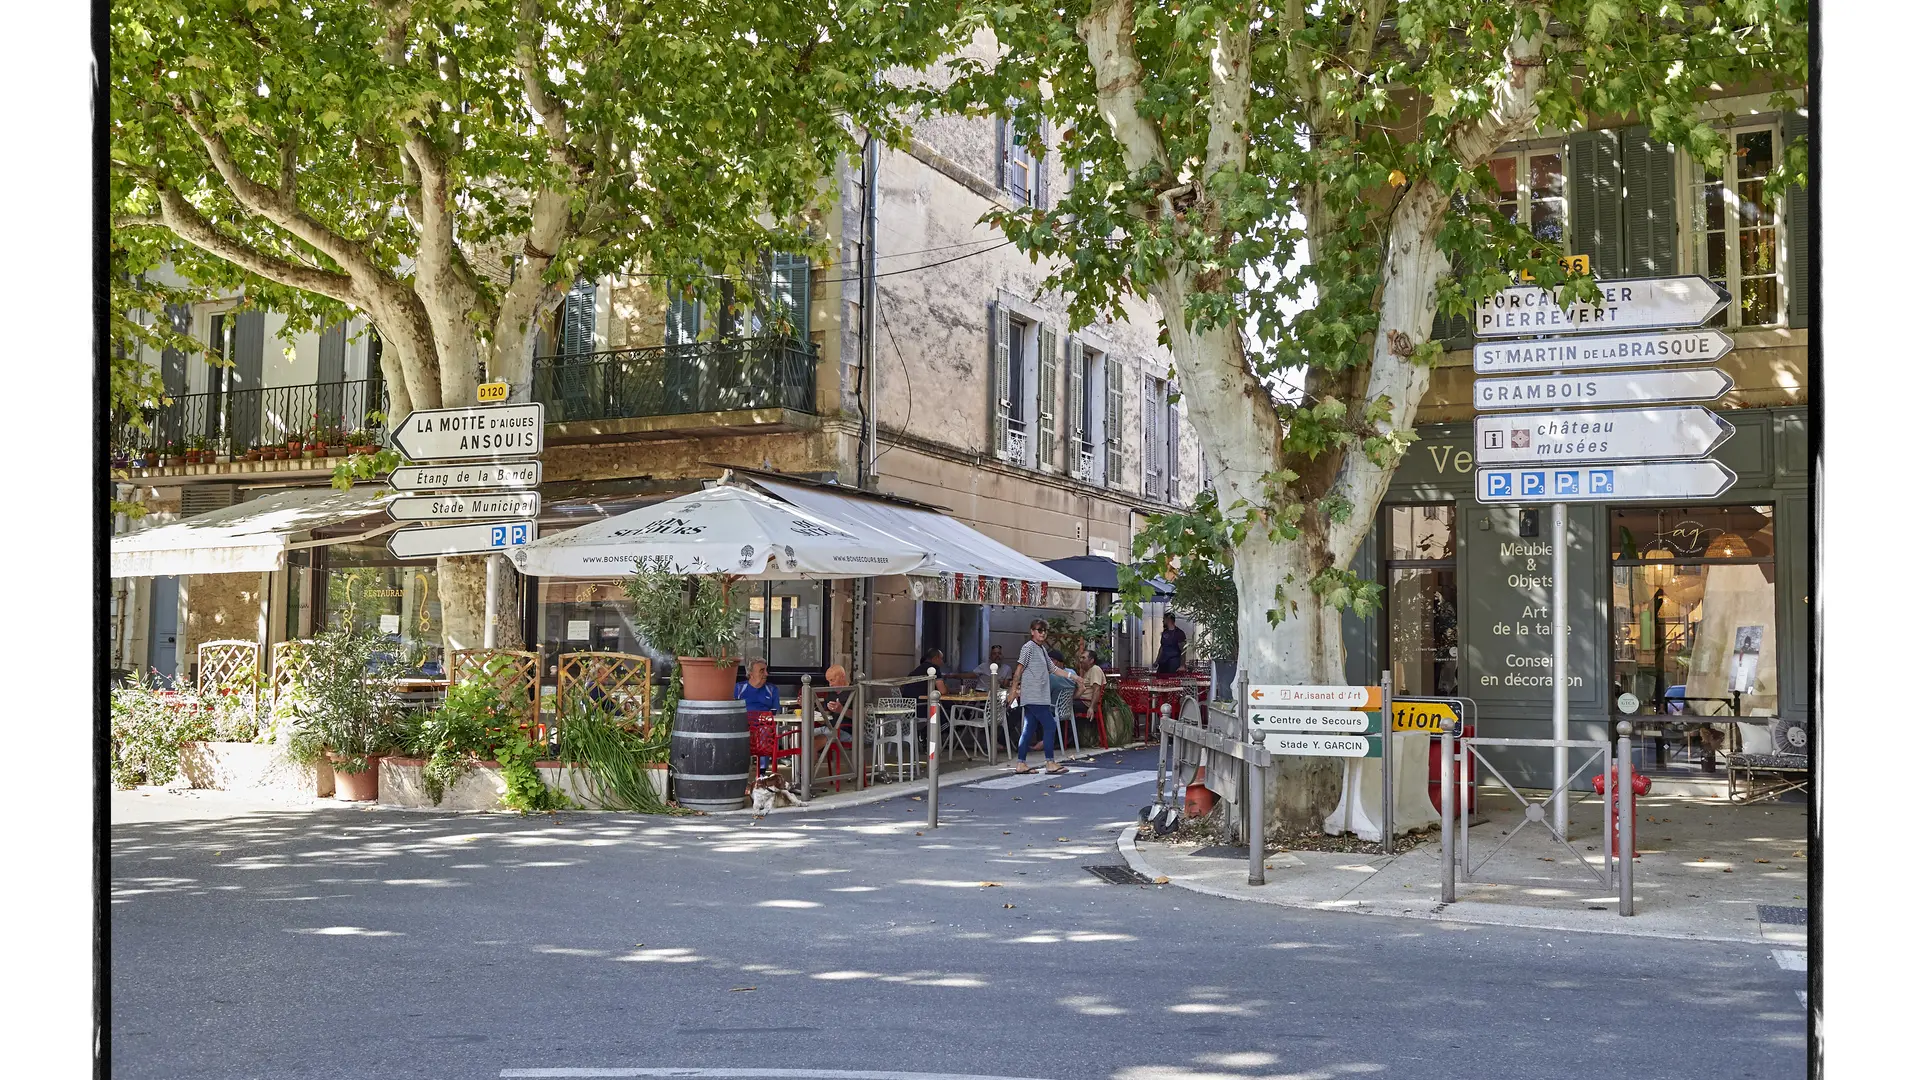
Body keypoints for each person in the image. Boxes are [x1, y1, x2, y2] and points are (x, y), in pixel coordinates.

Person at [1008, 620, 1077, 775]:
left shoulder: (1042, 649)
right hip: (1034, 695)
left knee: (1028, 729)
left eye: (1045, 630)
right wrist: (1013, 690)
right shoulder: (1028, 648)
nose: (1043, 633)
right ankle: (1050, 762)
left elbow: (1053, 669)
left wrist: (1074, 677)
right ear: (1032, 631)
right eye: (1039, 630)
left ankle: (1021, 764)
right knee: (1050, 725)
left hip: (1039, 695)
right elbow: (1019, 670)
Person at [812, 664, 853, 756]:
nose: (830, 684)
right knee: (798, 738)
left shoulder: (854, 691)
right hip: (829, 727)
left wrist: (841, 710)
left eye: (832, 680)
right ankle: (800, 767)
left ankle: (808, 770)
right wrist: (810, 707)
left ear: (842, 677)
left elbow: (860, 716)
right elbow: (825, 716)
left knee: (812, 746)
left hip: (845, 730)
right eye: (828, 681)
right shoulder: (832, 693)